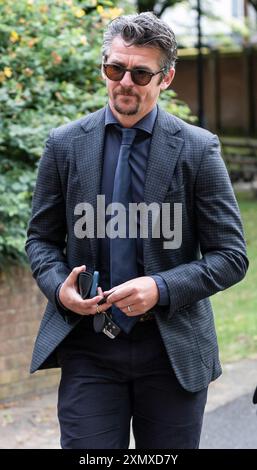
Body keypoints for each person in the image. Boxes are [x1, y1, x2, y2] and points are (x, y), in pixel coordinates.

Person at [26, 12, 248, 449]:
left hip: (171, 348)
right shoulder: (64, 144)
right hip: (89, 346)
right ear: (103, 67)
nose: (125, 81)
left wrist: (160, 287)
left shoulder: (198, 149)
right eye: (115, 68)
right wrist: (60, 289)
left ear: (165, 79)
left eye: (141, 72)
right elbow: (41, 240)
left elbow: (231, 256)